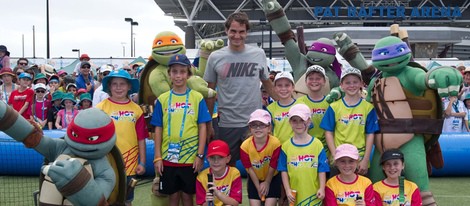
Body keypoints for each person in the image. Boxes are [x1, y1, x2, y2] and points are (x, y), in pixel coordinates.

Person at [203, 11, 278, 165]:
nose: (237, 36)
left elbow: (267, 83)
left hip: (254, 123)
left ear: (247, 33)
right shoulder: (215, 57)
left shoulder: (258, 54)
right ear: (226, 31)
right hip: (227, 123)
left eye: (241, 32)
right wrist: (208, 123)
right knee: (225, 168)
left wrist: (285, 103)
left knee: (258, 168)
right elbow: (209, 93)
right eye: (233, 31)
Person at [151, 54, 211, 206]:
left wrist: (200, 155)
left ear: (188, 74)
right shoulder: (163, 99)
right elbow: (158, 128)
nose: (178, 76)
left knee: (187, 196)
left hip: (190, 158)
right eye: (175, 72)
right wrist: (158, 157)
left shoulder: (197, 98)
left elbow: (202, 126)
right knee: (172, 196)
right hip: (167, 158)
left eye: (182, 72)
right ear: (169, 74)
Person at [95, 69, 147, 206]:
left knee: (127, 200)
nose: (119, 88)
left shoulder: (137, 110)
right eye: (115, 84)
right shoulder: (100, 108)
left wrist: (142, 162)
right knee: (105, 199)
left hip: (130, 164)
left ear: (129, 86)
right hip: (106, 164)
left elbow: (141, 138)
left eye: (122, 84)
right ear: (109, 87)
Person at [320, 67, 379, 176]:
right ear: (341, 86)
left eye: (355, 82)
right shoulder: (334, 107)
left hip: (359, 159)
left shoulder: (368, 108)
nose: (351, 85)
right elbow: (328, 132)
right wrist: (334, 155)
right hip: (339, 158)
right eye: (347, 82)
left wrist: (366, 159)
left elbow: (370, 134)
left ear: (361, 84)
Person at [277, 104, 329, 206]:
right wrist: (287, 190)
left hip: (313, 195)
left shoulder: (317, 144)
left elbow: (322, 169)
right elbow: (283, 170)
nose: (298, 124)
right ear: (290, 122)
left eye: (302, 120)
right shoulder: (286, 146)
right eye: (294, 121)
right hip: (294, 195)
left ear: (309, 121)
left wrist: (322, 188)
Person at [240, 109, 281, 206]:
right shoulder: (245, 146)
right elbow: (249, 169)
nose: (258, 128)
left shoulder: (275, 143)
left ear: (269, 128)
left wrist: (267, 182)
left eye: (262, 125)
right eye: (254, 125)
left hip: (272, 177)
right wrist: (258, 187)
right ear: (250, 128)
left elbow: (273, 165)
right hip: (255, 178)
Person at [297, 65, 331, 161]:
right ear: (306, 82)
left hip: (326, 150)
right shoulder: (300, 102)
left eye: (318, 78)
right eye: (311, 78)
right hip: (306, 148)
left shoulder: (331, 103)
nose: (314, 81)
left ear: (324, 81)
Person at [196, 140, 243, 206]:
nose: (216, 161)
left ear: (228, 158)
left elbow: (235, 202)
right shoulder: (201, 177)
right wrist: (207, 202)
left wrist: (218, 193)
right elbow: (200, 203)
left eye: (220, 157)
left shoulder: (234, 173)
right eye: (212, 158)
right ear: (208, 159)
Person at [267, 71, 300, 144]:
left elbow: (307, 128)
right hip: (278, 148)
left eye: (287, 85)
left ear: (293, 87)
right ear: (274, 88)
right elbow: (269, 131)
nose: (283, 89)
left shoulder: (300, 105)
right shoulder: (270, 108)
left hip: (296, 148)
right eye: (279, 85)